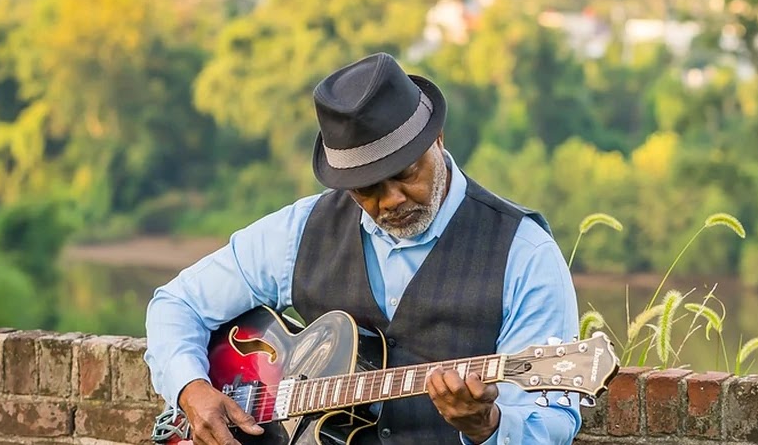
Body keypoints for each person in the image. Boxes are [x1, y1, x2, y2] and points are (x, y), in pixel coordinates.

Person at [144, 52, 582, 445]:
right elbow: (176, 304)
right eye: (367, 188)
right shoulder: (301, 229)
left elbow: (554, 417)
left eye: (407, 173)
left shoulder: (524, 253)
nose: (390, 199)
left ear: (439, 140)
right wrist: (191, 389)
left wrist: (488, 426)